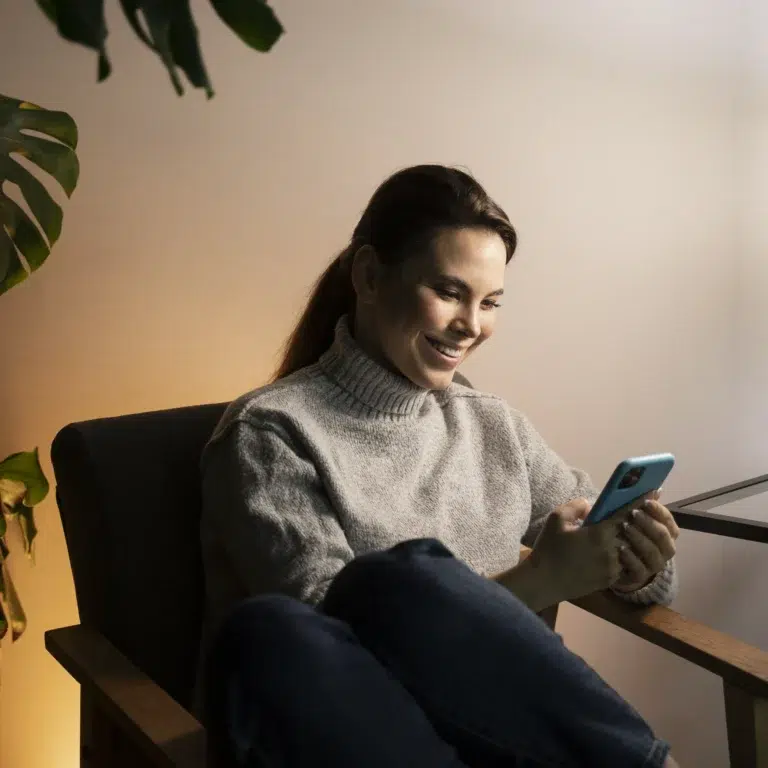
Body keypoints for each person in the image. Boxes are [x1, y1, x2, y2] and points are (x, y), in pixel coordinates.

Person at [199, 165, 681, 768]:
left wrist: (638, 561)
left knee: (393, 581)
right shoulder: (273, 432)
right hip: (369, 742)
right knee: (362, 594)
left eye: (491, 302)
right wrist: (543, 581)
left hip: (521, 744)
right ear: (370, 276)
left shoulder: (492, 426)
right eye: (451, 293)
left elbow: (636, 569)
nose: (471, 326)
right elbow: (326, 656)